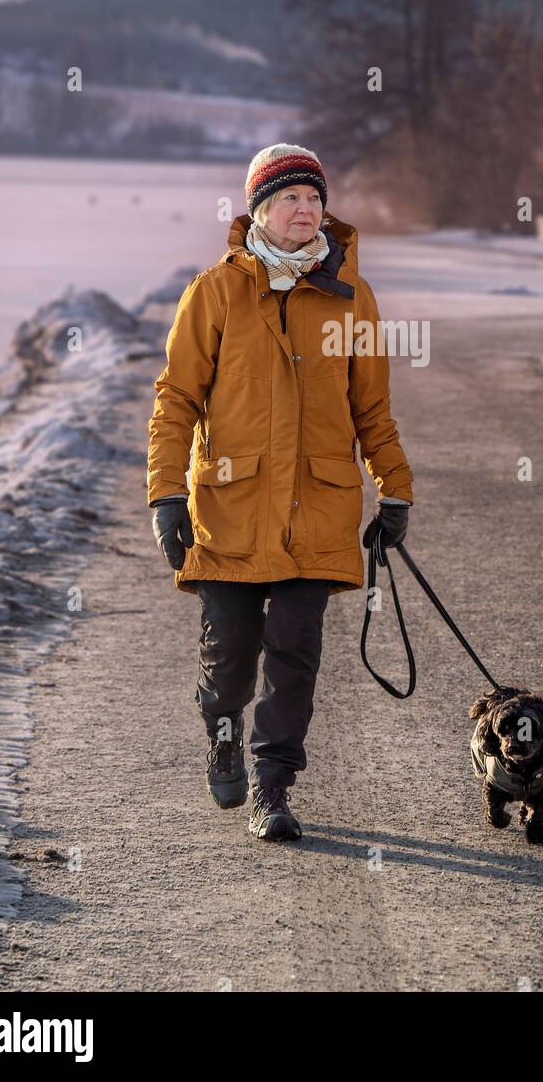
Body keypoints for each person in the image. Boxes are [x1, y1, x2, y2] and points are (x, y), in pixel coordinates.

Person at [146, 144, 414, 841]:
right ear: (259, 209)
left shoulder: (351, 297)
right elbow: (175, 400)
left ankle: (272, 788)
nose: (305, 210)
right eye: (290, 199)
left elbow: (372, 411)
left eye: (315, 199)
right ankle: (224, 734)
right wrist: (165, 496)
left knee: (294, 655)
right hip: (229, 510)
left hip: (318, 509)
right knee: (231, 655)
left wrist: (395, 493)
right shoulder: (214, 291)